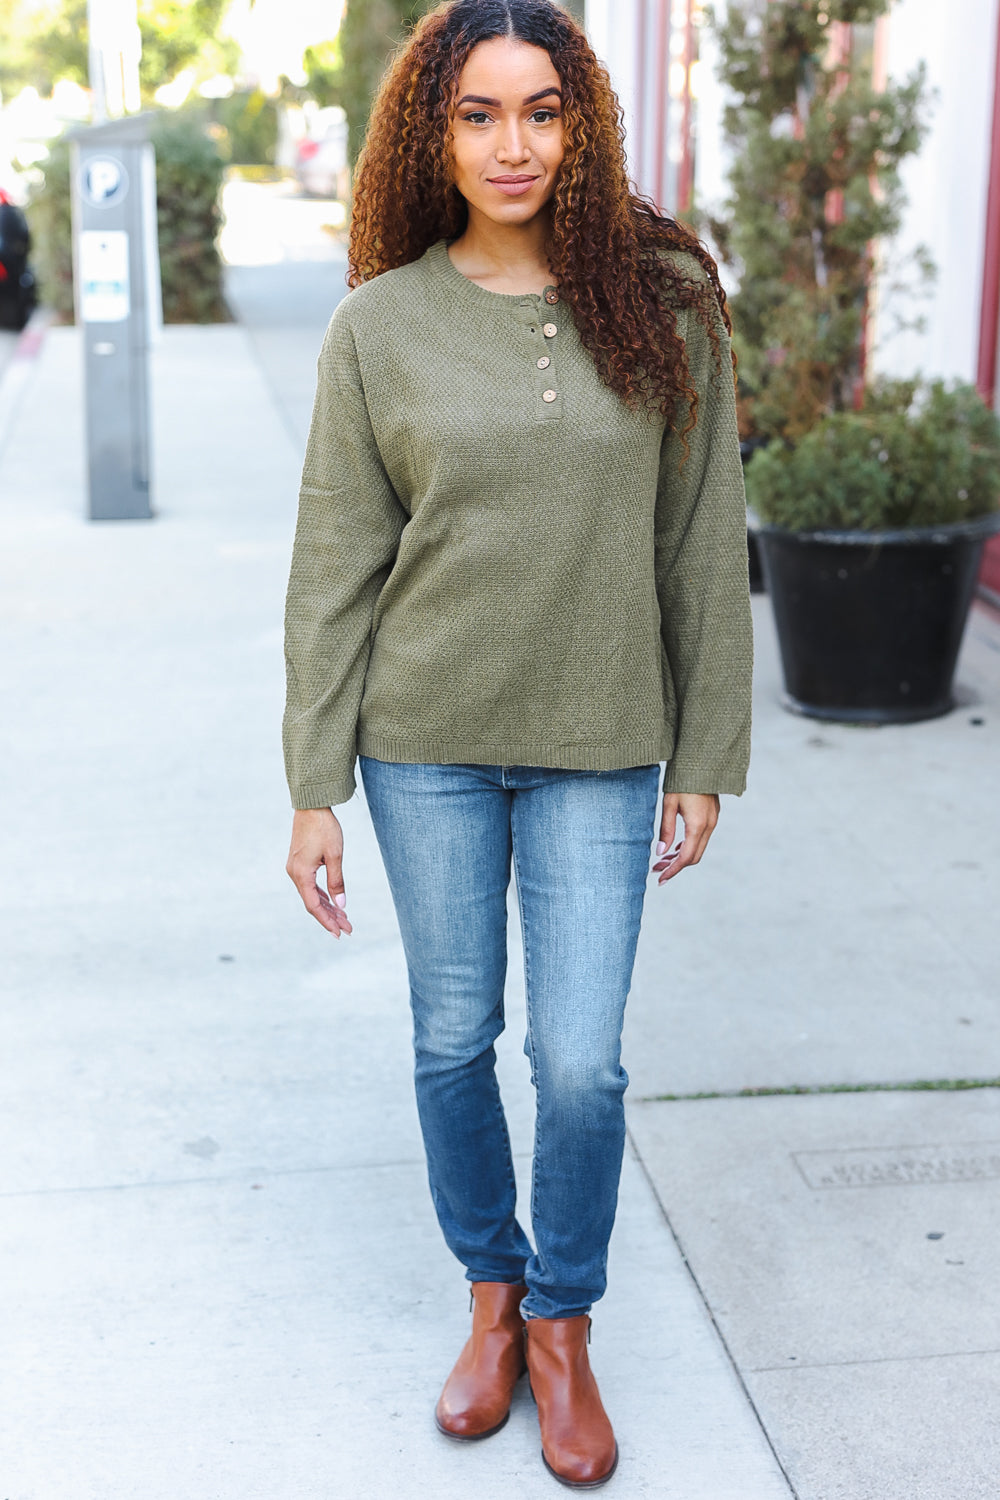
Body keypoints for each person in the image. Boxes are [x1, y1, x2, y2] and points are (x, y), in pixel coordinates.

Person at [283, 0, 752, 1487]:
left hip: (601, 737)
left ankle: (564, 1321)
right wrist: (313, 784)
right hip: (423, 741)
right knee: (450, 1038)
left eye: (541, 111)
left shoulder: (665, 301)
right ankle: (492, 1296)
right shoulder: (378, 326)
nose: (512, 145)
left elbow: (700, 543)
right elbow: (335, 566)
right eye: (477, 114)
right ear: (433, 134)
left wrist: (705, 752)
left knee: (583, 1063)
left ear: (581, 123)